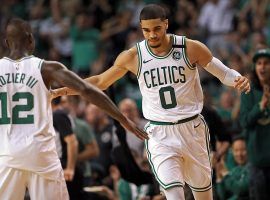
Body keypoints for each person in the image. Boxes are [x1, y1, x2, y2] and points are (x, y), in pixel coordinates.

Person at [53, 4, 250, 200]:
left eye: (156, 29)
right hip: (160, 133)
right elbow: (100, 81)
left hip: (192, 129)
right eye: (146, 30)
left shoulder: (189, 47)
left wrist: (237, 79)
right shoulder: (133, 56)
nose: (152, 35)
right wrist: (66, 89)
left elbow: (222, 72)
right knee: (174, 194)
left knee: (204, 196)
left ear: (166, 24)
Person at [0, 18, 147, 200]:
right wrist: (122, 119)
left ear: (6, 42)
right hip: (40, 154)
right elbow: (87, 90)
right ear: (31, 39)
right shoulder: (47, 68)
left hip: (6, 154)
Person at [239, 48, 270, 200]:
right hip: (257, 161)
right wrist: (260, 107)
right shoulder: (248, 91)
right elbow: (244, 121)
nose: (262, 67)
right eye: (259, 63)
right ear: (255, 67)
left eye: (266, 63)